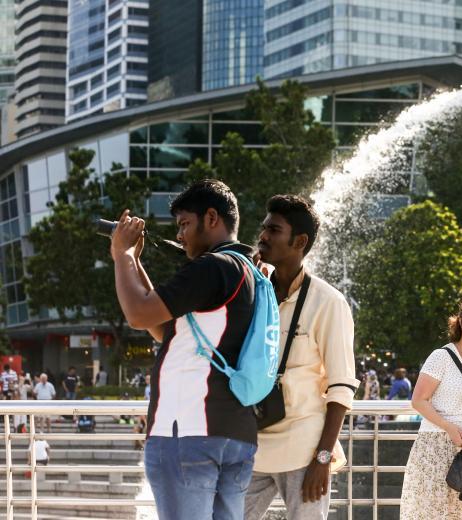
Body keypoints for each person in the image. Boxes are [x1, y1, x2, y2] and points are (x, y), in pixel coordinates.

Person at [110, 179, 262, 520]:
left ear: (212, 218)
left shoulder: (213, 266)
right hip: (235, 435)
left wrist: (120, 255)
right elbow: (165, 329)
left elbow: (137, 314)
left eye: (184, 224)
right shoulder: (249, 270)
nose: (180, 235)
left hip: (188, 432)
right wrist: (134, 261)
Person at [245, 195, 359, 520]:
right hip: (252, 445)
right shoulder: (253, 293)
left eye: (274, 230)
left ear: (300, 241)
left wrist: (323, 459)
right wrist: (244, 291)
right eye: (264, 228)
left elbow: (341, 388)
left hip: (303, 448)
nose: (263, 236)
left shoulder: (328, 302)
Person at [400, 295, 462, 520]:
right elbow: (418, 400)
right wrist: (448, 427)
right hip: (436, 447)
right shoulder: (441, 357)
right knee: (431, 513)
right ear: (461, 323)